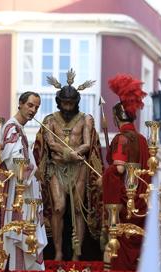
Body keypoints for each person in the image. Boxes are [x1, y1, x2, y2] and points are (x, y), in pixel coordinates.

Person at [33, 69, 104, 261]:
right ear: (59, 101)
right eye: (64, 103)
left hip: (78, 168)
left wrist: (76, 153)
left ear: (76, 102)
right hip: (57, 168)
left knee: (78, 210)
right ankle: (57, 252)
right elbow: (50, 143)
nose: (67, 106)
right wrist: (67, 153)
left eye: (71, 103)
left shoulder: (86, 119)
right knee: (58, 207)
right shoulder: (49, 120)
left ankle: (76, 253)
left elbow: (88, 143)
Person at [103, 74, 150, 271]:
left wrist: (103, 178)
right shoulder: (142, 140)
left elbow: (119, 168)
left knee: (116, 249)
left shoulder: (121, 139)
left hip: (123, 205)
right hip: (141, 202)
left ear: (117, 117)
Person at [0, 91, 48, 270]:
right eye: (30, 105)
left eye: (36, 107)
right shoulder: (12, 128)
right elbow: (13, 161)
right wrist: (34, 170)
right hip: (15, 192)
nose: (33, 110)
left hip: (23, 190)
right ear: (20, 104)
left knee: (24, 233)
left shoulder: (19, 129)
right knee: (17, 232)